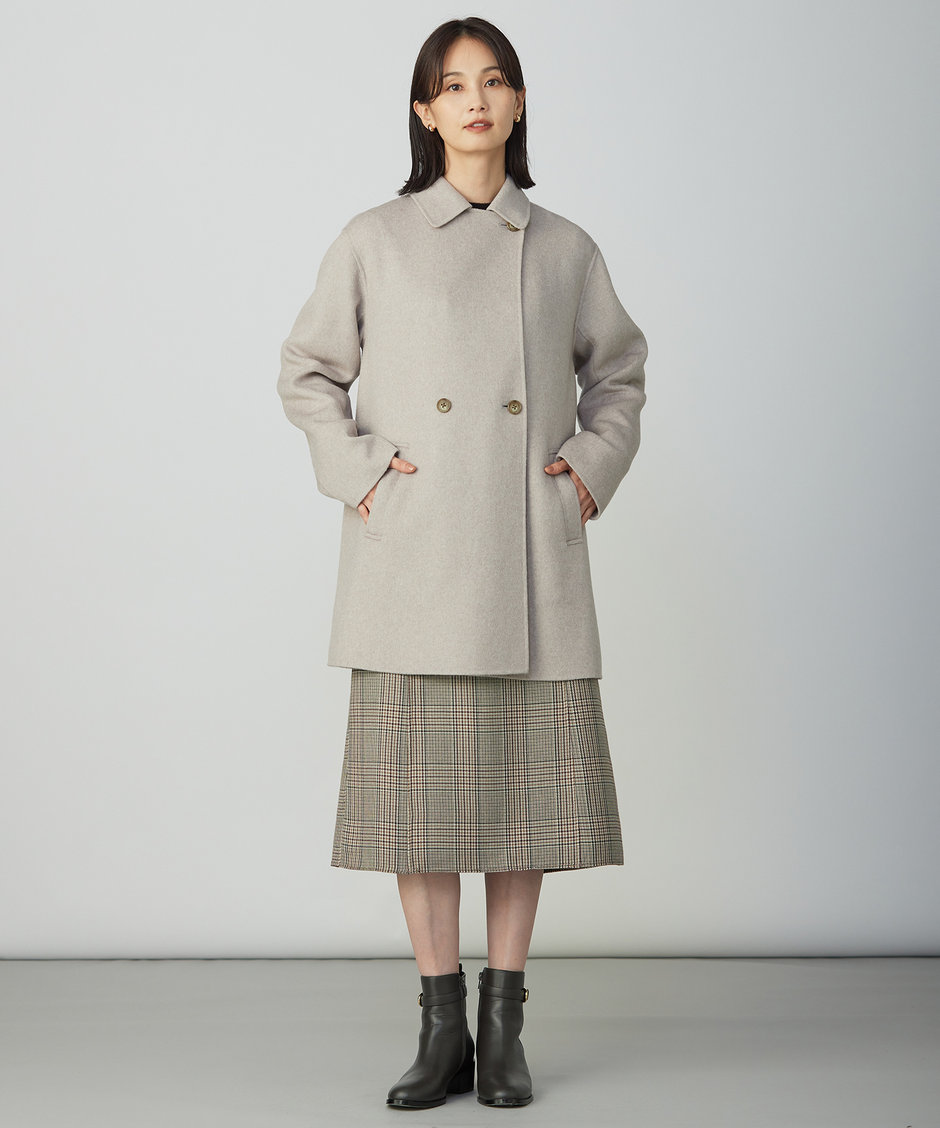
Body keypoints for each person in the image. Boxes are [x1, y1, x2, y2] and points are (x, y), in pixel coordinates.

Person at [276, 15, 648, 1112]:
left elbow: (619, 375)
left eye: (493, 82)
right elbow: (306, 372)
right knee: (420, 809)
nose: (474, 100)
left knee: (523, 803)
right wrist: (363, 474)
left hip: (526, 552)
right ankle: (441, 1026)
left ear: (518, 103)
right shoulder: (375, 238)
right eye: (452, 85)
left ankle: (505, 1023)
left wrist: (587, 471)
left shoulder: (565, 247)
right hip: (417, 556)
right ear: (424, 111)